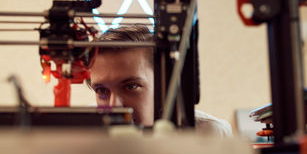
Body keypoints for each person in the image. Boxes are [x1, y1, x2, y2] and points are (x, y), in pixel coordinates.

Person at [88, 25, 232, 136]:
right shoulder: (83, 137)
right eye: (101, 90)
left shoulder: (207, 133)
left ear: (163, 84)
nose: (115, 106)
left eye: (131, 86)